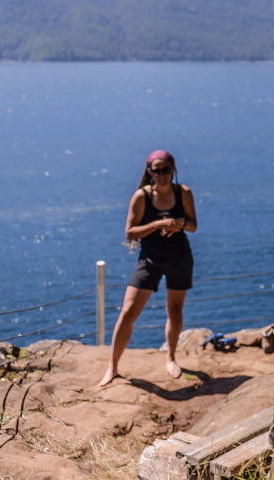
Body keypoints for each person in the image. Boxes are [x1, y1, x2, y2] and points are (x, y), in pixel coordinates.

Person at [97, 150, 198, 387]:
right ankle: (112, 368)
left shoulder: (183, 193)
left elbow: (193, 225)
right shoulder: (141, 196)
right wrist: (158, 224)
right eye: (156, 170)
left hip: (180, 257)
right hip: (150, 260)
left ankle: (171, 358)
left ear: (173, 170)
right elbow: (130, 232)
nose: (161, 175)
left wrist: (178, 224)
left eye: (165, 170)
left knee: (175, 309)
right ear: (149, 171)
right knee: (128, 312)